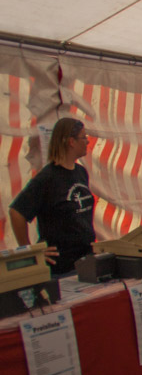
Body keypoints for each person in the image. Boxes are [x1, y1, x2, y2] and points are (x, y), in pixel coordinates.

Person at [9, 117, 96, 276]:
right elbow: (17, 212)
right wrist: (30, 252)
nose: (87, 142)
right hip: (61, 268)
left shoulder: (81, 172)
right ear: (71, 142)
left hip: (85, 261)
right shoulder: (47, 178)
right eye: (84, 137)